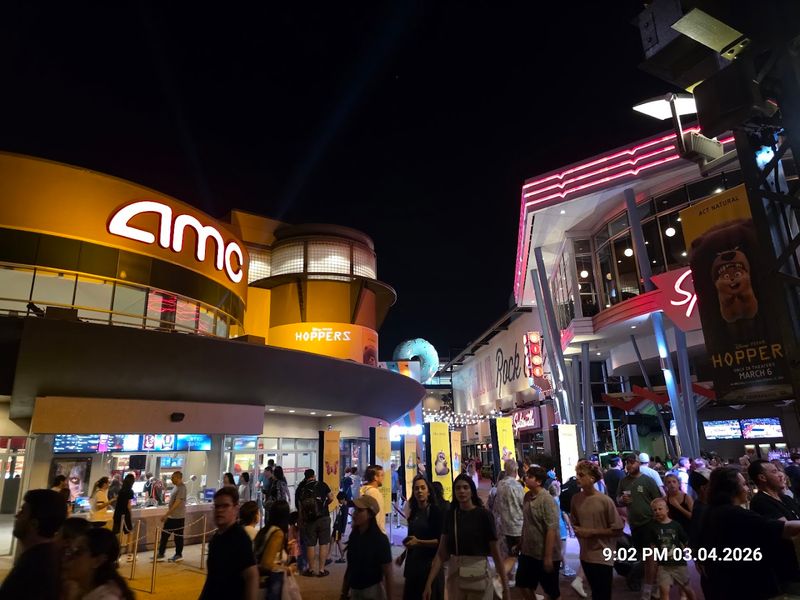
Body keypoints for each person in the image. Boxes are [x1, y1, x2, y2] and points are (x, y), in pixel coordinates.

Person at [700, 466, 800, 600]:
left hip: (721, 582)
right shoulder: (734, 513)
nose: (747, 489)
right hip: (739, 586)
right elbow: (781, 528)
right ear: (732, 488)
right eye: (743, 484)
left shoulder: (711, 511)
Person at [423, 473, 510, 600]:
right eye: (457, 488)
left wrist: (505, 586)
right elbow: (441, 553)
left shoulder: (484, 515)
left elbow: (495, 552)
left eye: (465, 487)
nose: (461, 491)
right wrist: (429, 582)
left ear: (472, 490)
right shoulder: (450, 515)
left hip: (479, 575)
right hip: (455, 575)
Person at [570, 460, 623, 600]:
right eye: (577, 474)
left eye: (581, 475)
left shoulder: (605, 501)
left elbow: (617, 529)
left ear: (592, 478)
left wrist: (591, 532)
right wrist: (578, 531)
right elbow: (575, 522)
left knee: (603, 593)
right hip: (586, 555)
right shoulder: (576, 499)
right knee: (595, 591)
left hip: (603, 555)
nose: (577, 477)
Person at [0, 489, 67, 599]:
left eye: (22, 511)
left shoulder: (32, 568)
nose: (16, 516)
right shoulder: (49, 556)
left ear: (34, 524)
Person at [748, 459, 800, 593]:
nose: (781, 475)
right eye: (775, 471)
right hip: (789, 569)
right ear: (762, 477)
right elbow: (787, 530)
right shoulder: (760, 501)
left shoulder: (785, 498)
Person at [200, 487, 259, 600]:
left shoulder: (240, 538)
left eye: (225, 506)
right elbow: (212, 579)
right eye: (217, 506)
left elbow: (252, 575)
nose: (220, 510)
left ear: (236, 509)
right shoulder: (216, 539)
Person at [617, 453, 661, 600]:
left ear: (638, 463)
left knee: (651, 558)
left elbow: (657, 500)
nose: (629, 465)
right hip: (634, 525)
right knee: (644, 558)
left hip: (649, 523)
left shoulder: (648, 481)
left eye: (632, 462)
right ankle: (650, 585)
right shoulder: (623, 482)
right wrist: (621, 499)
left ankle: (650, 588)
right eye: (627, 463)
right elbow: (619, 500)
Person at [516, 466, 561, 600]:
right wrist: (520, 543)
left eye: (530, 476)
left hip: (545, 554)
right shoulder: (527, 496)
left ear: (538, 481)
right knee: (522, 584)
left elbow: (551, 528)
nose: (526, 478)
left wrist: (547, 557)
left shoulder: (547, 500)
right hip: (528, 552)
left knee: (551, 591)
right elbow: (527, 523)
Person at [399, 475, 444, 600]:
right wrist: (403, 555)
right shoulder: (414, 512)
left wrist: (419, 542)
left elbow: (440, 542)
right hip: (413, 566)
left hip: (430, 567)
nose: (419, 491)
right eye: (416, 488)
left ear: (428, 492)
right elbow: (411, 538)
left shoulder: (435, 511)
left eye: (423, 488)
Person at [340, 495, 394, 600]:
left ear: (370, 514)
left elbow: (388, 574)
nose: (355, 513)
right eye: (355, 509)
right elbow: (350, 568)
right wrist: (344, 593)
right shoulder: (354, 536)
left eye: (360, 510)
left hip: (373, 593)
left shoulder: (380, 540)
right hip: (355, 592)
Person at [62, 527, 135, 600]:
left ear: (98, 561)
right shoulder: (82, 590)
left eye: (78, 552)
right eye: (70, 551)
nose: (68, 558)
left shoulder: (107, 597)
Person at [647, 497, 696, 600]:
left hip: (679, 564)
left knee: (687, 589)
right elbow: (652, 546)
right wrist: (654, 560)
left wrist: (694, 554)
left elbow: (685, 541)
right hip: (663, 566)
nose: (657, 512)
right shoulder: (652, 527)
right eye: (654, 510)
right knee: (664, 592)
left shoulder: (675, 525)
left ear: (667, 509)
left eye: (660, 509)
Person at [296, 468, 334, 577]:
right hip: (324, 517)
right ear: (314, 475)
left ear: (305, 476)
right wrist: (324, 505)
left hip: (309, 520)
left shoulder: (302, 488)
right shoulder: (322, 485)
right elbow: (331, 497)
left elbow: (300, 506)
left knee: (310, 544)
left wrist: (301, 519)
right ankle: (321, 570)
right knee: (323, 543)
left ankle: (311, 569)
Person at [494, 459, 524, 583]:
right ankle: (501, 579)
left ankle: (507, 578)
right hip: (518, 525)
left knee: (511, 554)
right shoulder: (517, 486)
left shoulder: (500, 485)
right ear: (516, 470)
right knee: (520, 556)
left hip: (505, 525)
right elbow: (523, 504)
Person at [254, 499, 290, 600]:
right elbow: (267, 564)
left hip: (256, 582)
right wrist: (287, 569)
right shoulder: (278, 533)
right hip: (268, 585)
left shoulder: (265, 530)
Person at [156, 471, 186, 562]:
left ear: (178, 477)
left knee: (178, 537)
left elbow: (177, 503)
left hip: (178, 517)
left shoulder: (182, 488)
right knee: (165, 534)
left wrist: (166, 515)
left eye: (173, 478)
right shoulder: (176, 487)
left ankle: (178, 554)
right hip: (172, 517)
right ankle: (161, 553)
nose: (171, 480)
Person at [112, 473, 135, 561]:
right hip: (125, 514)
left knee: (117, 533)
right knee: (130, 532)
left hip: (117, 514)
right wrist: (131, 514)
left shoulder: (121, 490)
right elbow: (129, 505)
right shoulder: (130, 491)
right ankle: (129, 554)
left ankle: (116, 554)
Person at [360, 465, 386, 534]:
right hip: (376, 534)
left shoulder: (365, 490)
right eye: (382, 475)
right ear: (375, 477)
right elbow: (377, 516)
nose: (383, 478)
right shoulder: (374, 493)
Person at [331, 492, 348, 563]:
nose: (338, 501)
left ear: (343, 499)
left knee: (337, 541)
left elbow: (344, 520)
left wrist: (343, 531)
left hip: (338, 529)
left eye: (339, 500)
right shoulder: (343, 506)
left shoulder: (344, 508)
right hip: (337, 527)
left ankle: (342, 557)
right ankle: (341, 556)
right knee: (334, 541)